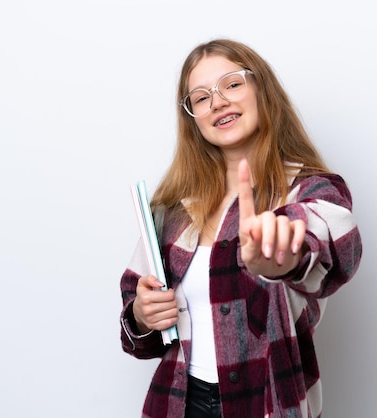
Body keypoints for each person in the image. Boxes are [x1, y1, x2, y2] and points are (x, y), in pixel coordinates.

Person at [119, 38, 362, 418]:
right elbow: (136, 331)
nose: (217, 102)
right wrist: (142, 315)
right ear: (193, 120)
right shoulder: (172, 212)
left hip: (266, 405)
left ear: (261, 89)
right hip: (177, 405)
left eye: (231, 84)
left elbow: (335, 242)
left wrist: (283, 256)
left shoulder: (310, 190)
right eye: (200, 98)